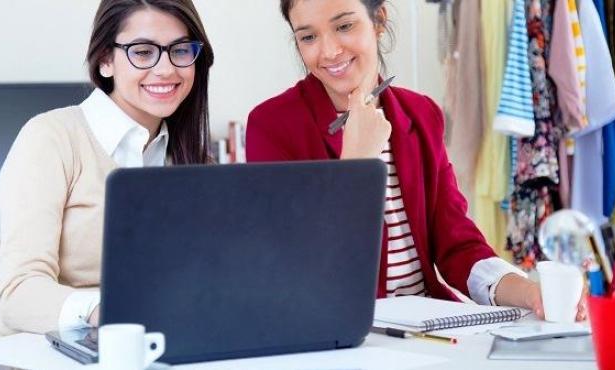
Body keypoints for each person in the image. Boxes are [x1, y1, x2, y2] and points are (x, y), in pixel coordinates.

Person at [247, 0, 586, 319]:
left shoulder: (422, 114)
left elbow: (457, 244)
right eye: (308, 36)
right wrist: (356, 167)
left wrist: (528, 293)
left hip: (427, 326)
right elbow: (294, 269)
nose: (329, 51)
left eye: (344, 26)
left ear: (378, 21)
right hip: (339, 331)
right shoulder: (272, 126)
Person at [0, 0, 213, 339]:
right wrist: (108, 311)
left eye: (180, 51)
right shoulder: (51, 137)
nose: (166, 69)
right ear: (106, 59)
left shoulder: (190, 158)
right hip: (42, 348)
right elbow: (17, 291)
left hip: (142, 345)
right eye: (144, 52)